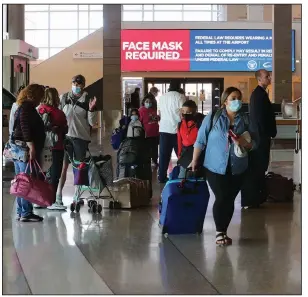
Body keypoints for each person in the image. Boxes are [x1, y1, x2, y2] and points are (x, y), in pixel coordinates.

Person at [191, 87, 256, 246]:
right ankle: (220, 232)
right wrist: (194, 160)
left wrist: (244, 143)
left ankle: (224, 231)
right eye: (233, 98)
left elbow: (254, 144)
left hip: (238, 167)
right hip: (215, 166)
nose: (237, 101)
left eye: (239, 98)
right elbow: (200, 140)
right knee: (221, 197)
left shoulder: (246, 120)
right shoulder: (213, 117)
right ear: (225, 101)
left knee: (230, 199)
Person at [52, 75, 97, 208]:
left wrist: (92, 109)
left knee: (79, 168)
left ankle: (76, 197)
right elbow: (58, 115)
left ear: (83, 85)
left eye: (79, 84)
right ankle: (58, 196)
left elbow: (92, 122)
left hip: (80, 138)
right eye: (74, 84)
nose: (76, 86)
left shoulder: (88, 99)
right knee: (63, 167)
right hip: (65, 137)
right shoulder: (64, 97)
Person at [241, 69, 277, 209]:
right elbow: (261, 118)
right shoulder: (258, 95)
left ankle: (256, 197)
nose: (269, 78)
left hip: (261, 135)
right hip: (260, 137)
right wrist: (267, 133)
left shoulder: (261, 94)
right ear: (259, 79)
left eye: (269, 76)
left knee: (260, 166)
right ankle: (252, 198)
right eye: (266, 76)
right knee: (257, 166)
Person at [11, 84, 46, 222]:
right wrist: (31, 146)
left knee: (21, 180)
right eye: (40, 96)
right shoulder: (27, 108)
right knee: (26, 180)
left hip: (18, 147)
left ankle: (21, 211)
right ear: (35, 95)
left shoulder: (23, 106)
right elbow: (25, 128)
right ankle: (26, 212)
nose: (41, 100)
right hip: (24, 148)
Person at [37, 88, 68, 211]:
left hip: (41, 147)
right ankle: (51, 200)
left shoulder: (38, 110)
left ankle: (39, 199)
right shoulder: (59, 113)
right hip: (56, 147)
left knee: (41, 172)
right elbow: (65, 129)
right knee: (54, 175)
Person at [158, 79, 186, 183]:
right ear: (179, 87)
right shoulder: (180, 97)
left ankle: (161, 177)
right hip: (177, 130)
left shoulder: (162, 97)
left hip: (164, 129)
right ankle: (181, 176)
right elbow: (182, 114)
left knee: (163, 155)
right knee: (180, 154)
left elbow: (160, 113)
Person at [177, 100, 204, 178]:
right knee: (182, 177)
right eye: (183, 111)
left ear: (194, 112)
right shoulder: (180, 124)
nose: (185, 114)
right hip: (185, 154)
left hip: (198, 153)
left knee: (198, 178)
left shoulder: (200, 124)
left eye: (188, 112)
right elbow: (179, 142)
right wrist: (179, 156)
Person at [139, 97, 160, 166]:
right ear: (144, 102)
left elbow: (156, 118)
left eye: (150, 102)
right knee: (147, 148)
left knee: (155, 148)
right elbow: (140, 122)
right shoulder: (141, 110)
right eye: (147, 101)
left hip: (155, 132)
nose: (148, 103)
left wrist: (158, 117)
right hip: (146, 134)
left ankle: (155, 160)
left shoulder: (153, 110)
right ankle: (147, 162)